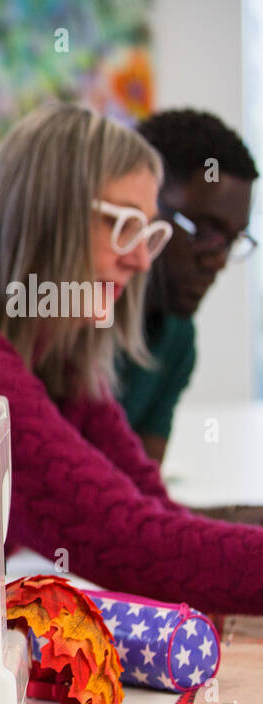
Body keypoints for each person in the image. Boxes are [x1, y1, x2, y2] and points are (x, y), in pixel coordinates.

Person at [0, 101, 263, 615]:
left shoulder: (59, 355)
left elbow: (151, 511)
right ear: (47, 216)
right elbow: (130, 544)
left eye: (150, 233)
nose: (142, 259)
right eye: (123, 226)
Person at [121, 109, 258, 464]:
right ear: (143, 207)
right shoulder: (66, 325)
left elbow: (142, 497)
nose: (218, 261)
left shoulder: (176, 340)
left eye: (231, 240)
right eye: (206, 231)